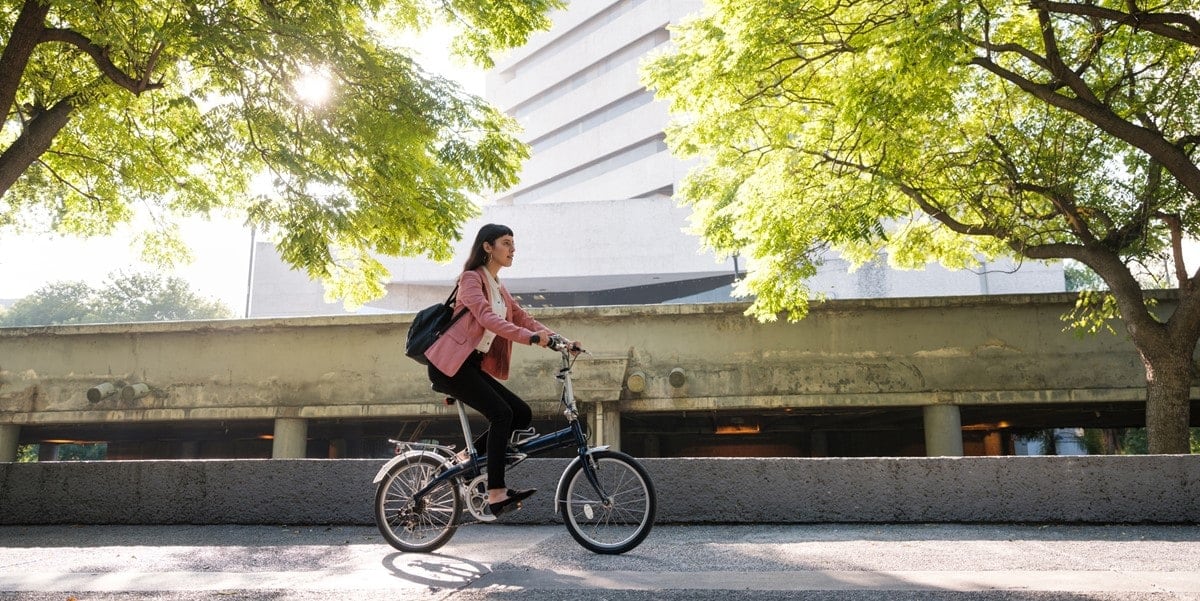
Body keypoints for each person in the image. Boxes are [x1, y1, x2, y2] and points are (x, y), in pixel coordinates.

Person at [424, 223, 580, 517]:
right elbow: (485, 317)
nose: (512, 249)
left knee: (520, 414)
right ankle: (496, 492)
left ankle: (465, 459)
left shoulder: (498, 287)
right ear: (487, 246)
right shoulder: (471, 280)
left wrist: (561, 341)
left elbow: (524, 318)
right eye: (506, 243)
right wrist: (530, 339)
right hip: (449, 366)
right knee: (501, 414)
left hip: (469, 366)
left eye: (513, 244)